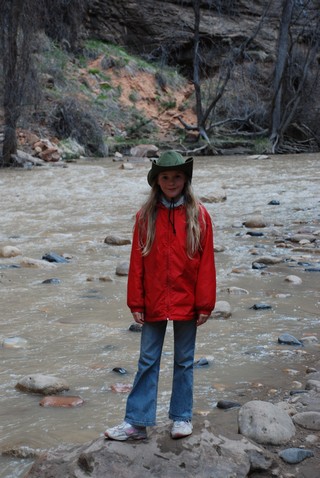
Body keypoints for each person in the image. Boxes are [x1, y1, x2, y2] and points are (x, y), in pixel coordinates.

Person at [105, 151, 216, 441]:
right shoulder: (146, 216)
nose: (171, 182)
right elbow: (137, 262)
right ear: (157, 181)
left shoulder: (199, 215)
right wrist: (135, 301)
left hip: (187, 299)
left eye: (177, 176)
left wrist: (205, 303)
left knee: (184, 360)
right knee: (148, 360)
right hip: (153, 299)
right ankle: (136, 423)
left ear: (185, 179)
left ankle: (181, 417)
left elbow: (206, 264)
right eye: (165, 177)